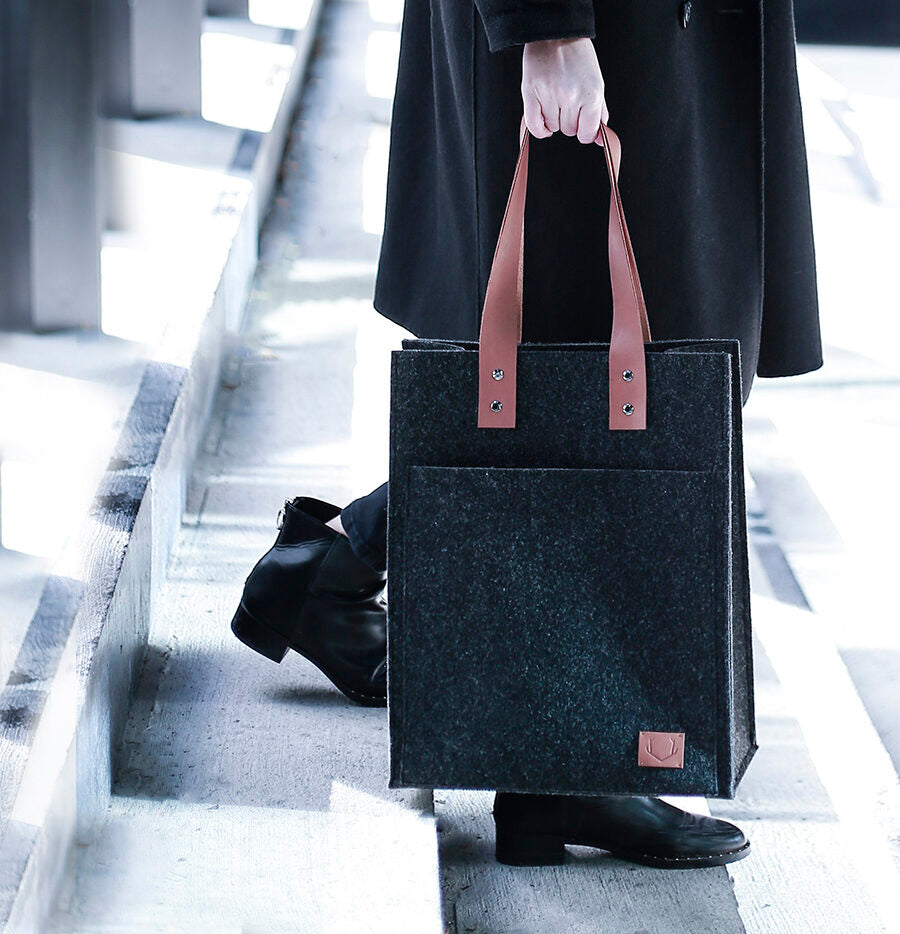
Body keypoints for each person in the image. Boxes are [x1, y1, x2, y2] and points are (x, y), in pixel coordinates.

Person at [230, 0, 822, 868]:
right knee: (596, 357)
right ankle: (566, 764)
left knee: (632, 369)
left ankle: (334, 569)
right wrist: (545, 27)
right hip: (592, 31)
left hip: (663, 36)